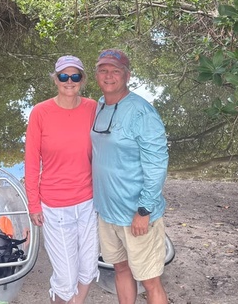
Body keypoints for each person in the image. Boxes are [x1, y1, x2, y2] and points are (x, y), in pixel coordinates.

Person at [91, 49, 169, 304]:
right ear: (96, 75)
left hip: (137, 214)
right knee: (121, 269)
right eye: (103, 70)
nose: (109, 76)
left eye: (115, 71)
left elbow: (157, 165)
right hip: (108, 212)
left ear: (127, 75)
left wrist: (144, 210)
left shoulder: (142, 113)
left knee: (150, 281)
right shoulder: (100, 105)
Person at [24, 55, 99, 303]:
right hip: (55, 207)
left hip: (88, 203)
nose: (69, 81)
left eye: (75, 76)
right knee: (66, 278)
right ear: (55, 79)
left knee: (88, 270)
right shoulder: (40, 112)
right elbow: (32, 162)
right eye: (63, 76)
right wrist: (33, 204)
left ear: (83, 79)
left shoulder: (93, 108)